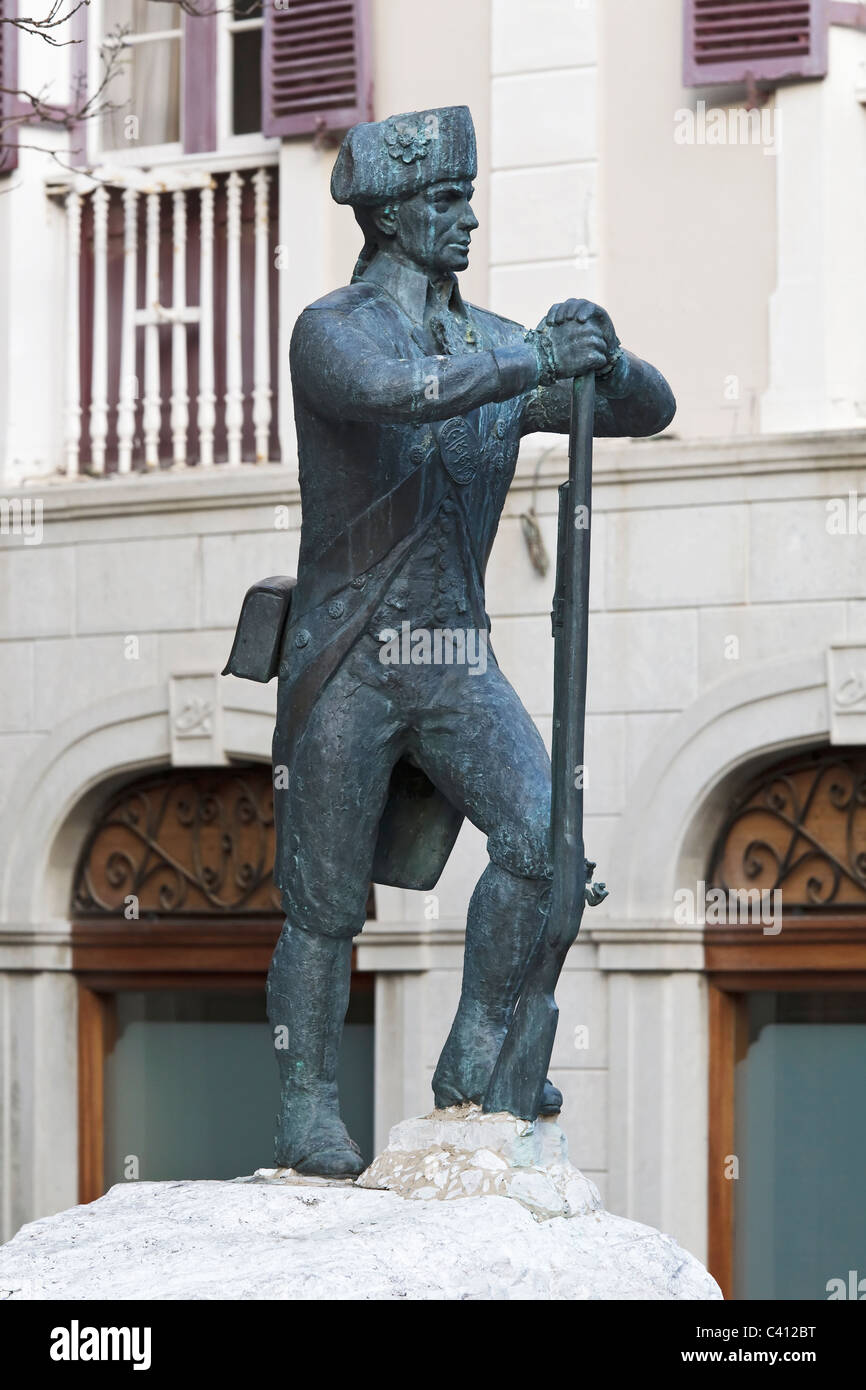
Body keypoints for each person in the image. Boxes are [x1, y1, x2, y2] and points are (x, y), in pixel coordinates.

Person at [265, 106, 676, 1176]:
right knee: (320, 902)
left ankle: (479, 1055)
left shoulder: (498, 340)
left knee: (547, 846)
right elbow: (394, 394)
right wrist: (529, 358)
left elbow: (645, 410)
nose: (468, 218)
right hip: (346, 656)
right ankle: (306, 1098)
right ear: (392, 216)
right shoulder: (332, 328)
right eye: (446, 202)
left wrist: (602, 356)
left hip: (452, 658)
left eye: (465, 198)